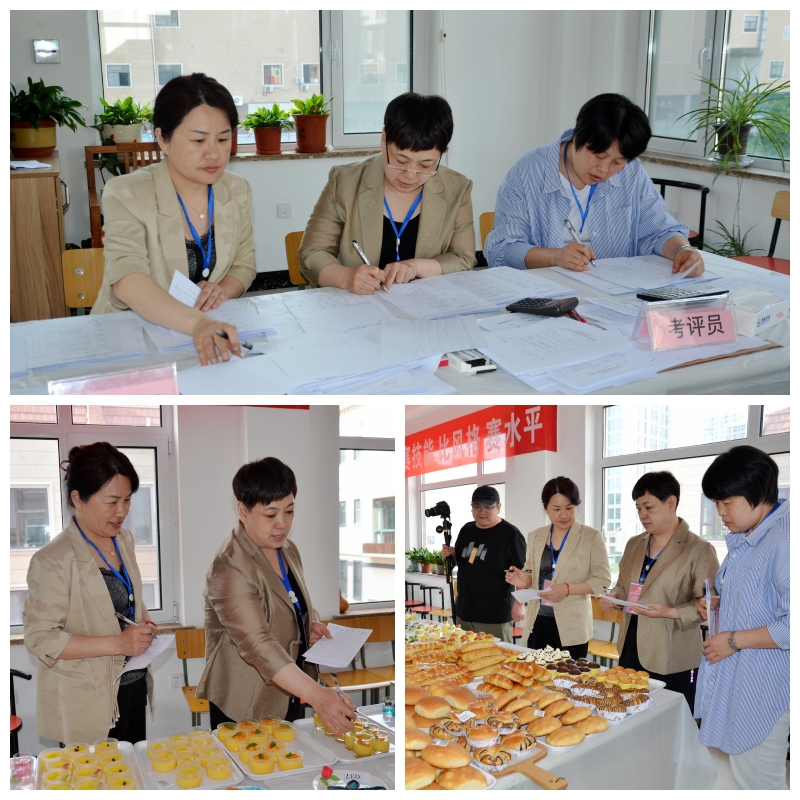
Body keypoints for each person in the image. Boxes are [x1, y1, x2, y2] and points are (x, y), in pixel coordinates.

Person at [92, 73, 257, 366]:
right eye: (198, 140)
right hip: (133, 338)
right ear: (162, 139)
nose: (214, 153)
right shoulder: (128, 192)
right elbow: (127, 280)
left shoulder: (237, 190)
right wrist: (197, 323)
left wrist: (221, 290)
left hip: (205, 335)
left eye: (223, 139)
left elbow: (244, 265)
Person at [196, 457, 356, 733]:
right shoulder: (229, 566)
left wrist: (309, 625)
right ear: (243, 512)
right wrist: (318, 695)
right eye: (271, 515)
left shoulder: (288, 550)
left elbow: (293, 601)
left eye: (289, 511)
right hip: (246, 703)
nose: (282, 524)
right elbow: (258, 643)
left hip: (292, 689)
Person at [485, 93, 705, 277]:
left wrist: (682, 249)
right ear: (577, 137)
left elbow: (658, 229)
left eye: (617, 162)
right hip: (547, 293)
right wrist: (555, 256)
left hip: (614, 292)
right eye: (599, 156)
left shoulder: (632, 172)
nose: (604, 169)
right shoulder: (527, 172)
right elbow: (503, 249)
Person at [23, 443, 157, 745]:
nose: (122, 512)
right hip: (87, 699)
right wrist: (118, 643)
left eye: (127, 500)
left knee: (132, 768)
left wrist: (143, 619)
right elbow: (39, 638)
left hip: (132, 683)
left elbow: (128, 596)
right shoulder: (54, 559)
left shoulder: (124, 540)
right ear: (78, 500)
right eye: (112, 501)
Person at [298, 91, 476, 293]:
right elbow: (312, 252)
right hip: (358, 305)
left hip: (424, 306)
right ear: (384, 139)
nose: (410, 175)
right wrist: (347, 277)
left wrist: (415, 266)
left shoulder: (457, 189)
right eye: (401, 161)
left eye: (425, 165)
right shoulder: (345, 182)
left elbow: (464, 258)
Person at [695, 446, 789, 790]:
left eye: (727, 502)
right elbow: (757, 598)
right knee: (745, 772)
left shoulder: (785, 539)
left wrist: (734, 640)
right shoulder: (747, 535)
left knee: (760, 779)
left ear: (759, 494)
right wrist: (719, 605)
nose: (720, 512)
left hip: (765, 683)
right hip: (742, 679)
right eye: (715, 503)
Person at [599, 471, 718, 713]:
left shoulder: (699, 549)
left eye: (648, 507)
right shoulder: (635, 543)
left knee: (670, 721)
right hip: (630, 646)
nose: (643, 515)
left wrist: (669, 611)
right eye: (638, 509)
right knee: (628, 713)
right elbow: (623, 585)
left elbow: (708, 605)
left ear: (671, 503)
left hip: (671, 654)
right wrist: (615, 596)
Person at [506, 477, 611, 659]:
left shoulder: (590, 537)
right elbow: (531, 572)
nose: (563, 515)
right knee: (536, 672)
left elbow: (602, 580)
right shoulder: (535, 536)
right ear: (545, 508)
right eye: (556, 509)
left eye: (569, 508)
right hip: (538, 621)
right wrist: (526, 579)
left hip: (572, 625)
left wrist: (567, 589)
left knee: (569, 674)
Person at [441, 486, 526, 643]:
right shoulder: (466, 530)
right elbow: (463, 563)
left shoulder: (510, 534)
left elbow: (524, 573)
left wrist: (519, 604)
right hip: (464, 613)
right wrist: (451, 555)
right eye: (477, 507)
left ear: (498, 507)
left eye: (488, 507)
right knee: (463, 655)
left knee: (497, 657)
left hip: (494, 617)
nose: (482, 512)